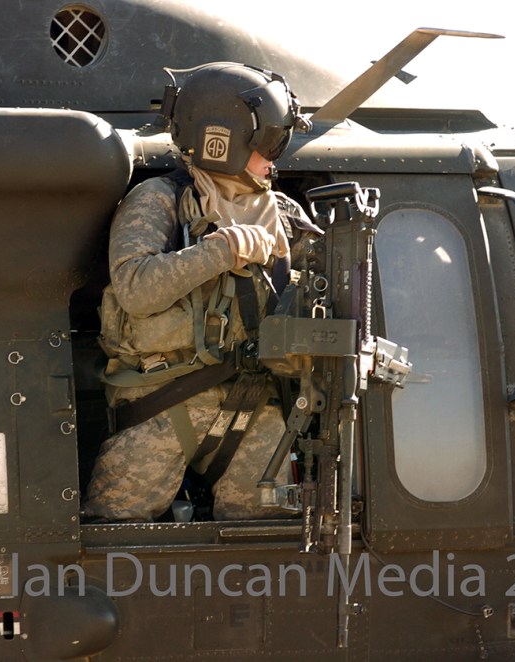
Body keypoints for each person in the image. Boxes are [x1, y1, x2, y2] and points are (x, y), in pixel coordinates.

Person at [83, 62, 318, 522]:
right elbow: (134, 288)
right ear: (223, 138)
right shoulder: (158, 199)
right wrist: (220, 251)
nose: (275, 158)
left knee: (270, 545)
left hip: (257, 406)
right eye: (268, 143)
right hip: (161, 403)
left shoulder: (282, 214)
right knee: (112, 536)